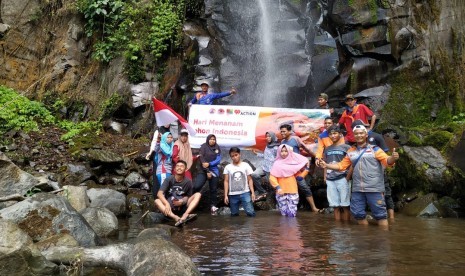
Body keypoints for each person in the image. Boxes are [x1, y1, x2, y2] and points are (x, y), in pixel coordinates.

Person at [319, 125, 399, 226]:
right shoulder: (351, 151)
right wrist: (326, 165)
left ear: (366, 135)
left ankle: (383, 238)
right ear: (354, 136)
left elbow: (387, 161)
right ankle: (365, 238)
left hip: (374, 188)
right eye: (356, 133)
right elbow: (341, 166)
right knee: (358, 214)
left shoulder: (375, 149)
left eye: (361, 133)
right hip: (357, 189)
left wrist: (393, 158)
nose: (359, 135)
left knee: (380, 215)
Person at [351, 120, 395, 218]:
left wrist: (391, 159)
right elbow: (352, 162)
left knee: (386, 194)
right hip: (360, 179)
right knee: (358, 210)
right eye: (355, 131)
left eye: (361, 129)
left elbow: (386, 156)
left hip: (378, 170)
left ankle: (391, 218)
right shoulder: (353, 147)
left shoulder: (376, 137)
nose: (358, 133)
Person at [280, 124, 320, 212]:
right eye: (281, 131)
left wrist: (317, 157)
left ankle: (313, 207)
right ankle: (288, 208)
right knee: (287, 188)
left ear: (289, 131)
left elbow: (306, 149)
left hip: (297, 168)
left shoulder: (295, 139)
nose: (282, 133)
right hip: (287, 170)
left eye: (284, 131)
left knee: (304, 186)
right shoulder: (282, 142)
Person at [154, 160, 201, 227]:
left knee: (198, 194)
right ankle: (175, 217)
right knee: (157, 201)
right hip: (169, 207)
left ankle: (185, 214)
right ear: (175, 168)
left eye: (182, 166)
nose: (179, 168)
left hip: (182, 206)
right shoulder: (169, 179)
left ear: (186, 169)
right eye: (177, 166)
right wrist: (166, 203)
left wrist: (182, 202)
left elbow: (188, 196)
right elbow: (159, 194)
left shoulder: (188, 182)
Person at [269, 144, 310, 217]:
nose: (284, 153)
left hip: (292, 191)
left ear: (289, 152)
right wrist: (278, 187)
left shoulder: (293, 164)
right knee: (284, 214)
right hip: (281, 192)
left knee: (292, 214)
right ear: (279, 152)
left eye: (286, 151)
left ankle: (292, 228)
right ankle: (284, 228)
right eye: (282, 151)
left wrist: (306, 170)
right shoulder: (276, 164)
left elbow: (299, 178)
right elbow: (272, 177)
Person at [323, 125, 351, 221]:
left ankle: (347, 228)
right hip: (330, 179)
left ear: (340, 134)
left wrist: (348, 177)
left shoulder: (347, 147)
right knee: (335, 206)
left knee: (345, 205)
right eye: (330, 134)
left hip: (342, 178)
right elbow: (325, 163)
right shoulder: (327, 149)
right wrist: (325, 177)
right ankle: (337, 228)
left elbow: (352, 164)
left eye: (335, 133)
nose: (333, 136)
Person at [223, 147, 256, 217]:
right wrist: (225, 195)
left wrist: (252, 193)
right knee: (234, 214)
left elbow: (250, 179)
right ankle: (235, 228)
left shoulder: (246, 165)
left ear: (239, 154)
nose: (234, 157)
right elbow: (226, 181)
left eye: (236, 155)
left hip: (245, 193)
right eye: (232, 156)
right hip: (232, 195)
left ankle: (251, 227)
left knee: (251, 213)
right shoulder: (227, 167)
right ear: (230, 157)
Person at [194, 134, 221, 215]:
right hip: (203, 170)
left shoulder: (217, 147)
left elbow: (218, 159)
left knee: (213, 189)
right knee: (197, 186)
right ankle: (192, 201)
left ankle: (213, 205)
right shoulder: (203, 147)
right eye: (211, 139)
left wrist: (209, 164)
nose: (212, 140)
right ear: (207, 139)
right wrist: (207, 170)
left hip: (214, 170)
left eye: (214, 139)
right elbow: (202, 159)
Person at [251, 131, 279, 200]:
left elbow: (278, 158)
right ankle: (263, 191)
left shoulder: (276, 147)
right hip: (264, 167)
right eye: (266, 136)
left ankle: (279, 198)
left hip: (271, 169)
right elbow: (265, 156)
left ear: (272, 137)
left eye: (269, 136)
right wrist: (256, 154)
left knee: (273, 184)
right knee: (254, 174)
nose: (267, 138)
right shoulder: (267, 145)